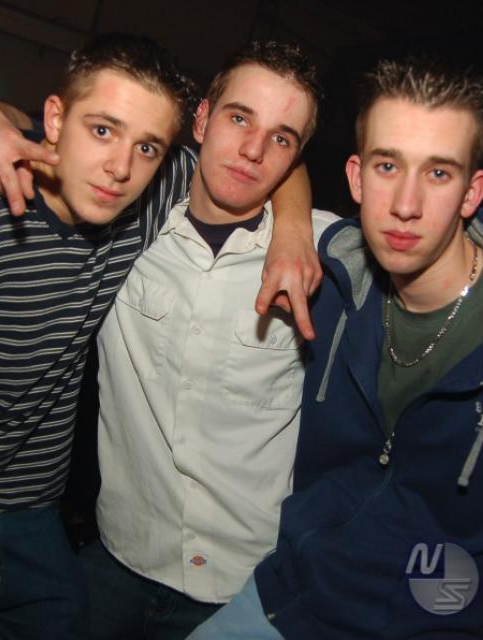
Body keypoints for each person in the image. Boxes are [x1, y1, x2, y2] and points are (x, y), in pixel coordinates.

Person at [188, 58, 483, 639]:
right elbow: (262, 162)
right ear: (356, 177)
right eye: (387, 165)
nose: (405, 203)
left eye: (438, 173)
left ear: (472, 192)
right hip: (282, 603)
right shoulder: (332, 279)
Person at [0, 32, 196, 639]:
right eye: (102, 130)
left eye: (147, 146)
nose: (120, 168)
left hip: (34, 515)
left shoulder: (147, 196)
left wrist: (293, 234)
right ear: (54, 120)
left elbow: (263, 159)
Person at [83, 41, 337, 639]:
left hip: (246, 587)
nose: (253, 150)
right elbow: (69, 140)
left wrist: (295, 224)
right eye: (239, 117)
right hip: (120, 554)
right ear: (201, 119)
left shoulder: (326, 255)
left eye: (280, 138)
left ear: (297, 158)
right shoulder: (125, 217)